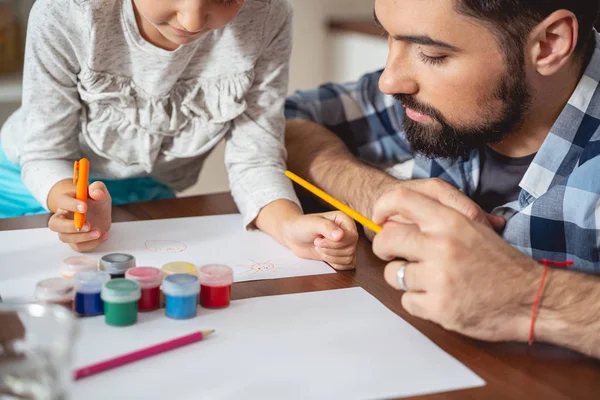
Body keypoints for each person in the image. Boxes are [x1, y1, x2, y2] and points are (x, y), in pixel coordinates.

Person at [0, 0, 358, 270]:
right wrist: (73, 204)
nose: (191, 21)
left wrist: (289, 224)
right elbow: (45, 152)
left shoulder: (267, 17)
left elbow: (256, 158)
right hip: (34, 180)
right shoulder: (68, 12)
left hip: (148, 191)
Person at [285, 0, 600, 273]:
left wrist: (531, 297)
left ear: (549, 44)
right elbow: (283, 121)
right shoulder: (429, 102)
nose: (389, 81)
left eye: (431, 53)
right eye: (388, 36)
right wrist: (374, 193)